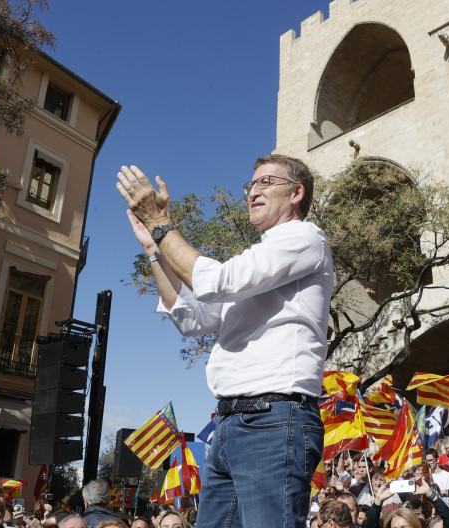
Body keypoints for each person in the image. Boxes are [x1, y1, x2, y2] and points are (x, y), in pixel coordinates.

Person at [117, 155, 332, 528]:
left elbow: (214, 281)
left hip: (274, 422)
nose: (253, 192)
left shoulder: (304, 237)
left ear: (296, 193)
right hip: (230, 426)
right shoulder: (257, 263)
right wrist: (154, 248)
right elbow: (191, 317)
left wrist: (159, 222)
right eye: (251, 185)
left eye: (266, 182)